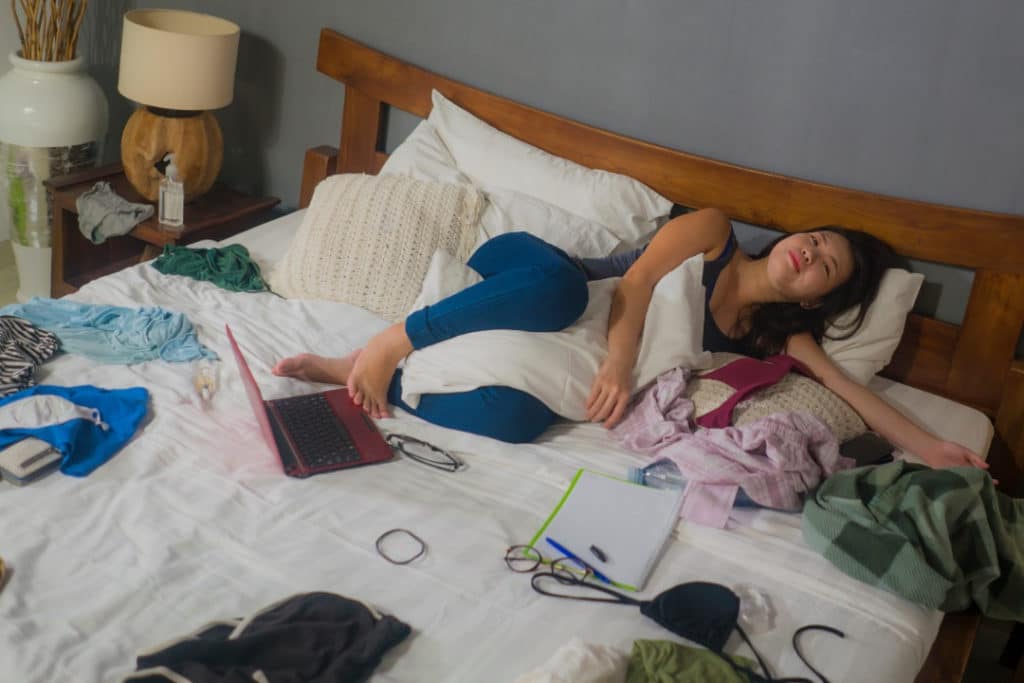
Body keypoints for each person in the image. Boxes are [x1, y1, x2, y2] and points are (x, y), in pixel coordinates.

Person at [273, 208, 988, 472]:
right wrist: (620, 360)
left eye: (825, 265)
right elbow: (640, 282)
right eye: (816, 238)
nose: (810, 251)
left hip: (562, 345)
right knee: (557, 290)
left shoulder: (776, 341)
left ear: (818, 298)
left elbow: (845, 389)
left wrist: (930, 446)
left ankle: (381, 377)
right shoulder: (714, 232)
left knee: (524, 420)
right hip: (536, 280)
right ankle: (392, 340)